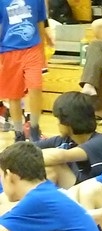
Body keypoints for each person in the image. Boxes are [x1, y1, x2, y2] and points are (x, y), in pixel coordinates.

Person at [35, 92, 102, 189]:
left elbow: (59, 156)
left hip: (101, 195)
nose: (57, 123)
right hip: (80, 191)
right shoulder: (65, 140)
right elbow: (29, 148)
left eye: (58, 119)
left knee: (54, 168)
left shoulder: (101, 143)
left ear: (69, 121)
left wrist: (24, 159)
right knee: (48, 169)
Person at [0, 0, 53, 142]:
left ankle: (34, 128)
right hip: (8, 51)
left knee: (35, 86)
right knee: (14, 95)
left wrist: (43, 48)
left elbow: (40, 23)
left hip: (33, 49)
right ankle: (19, 133)